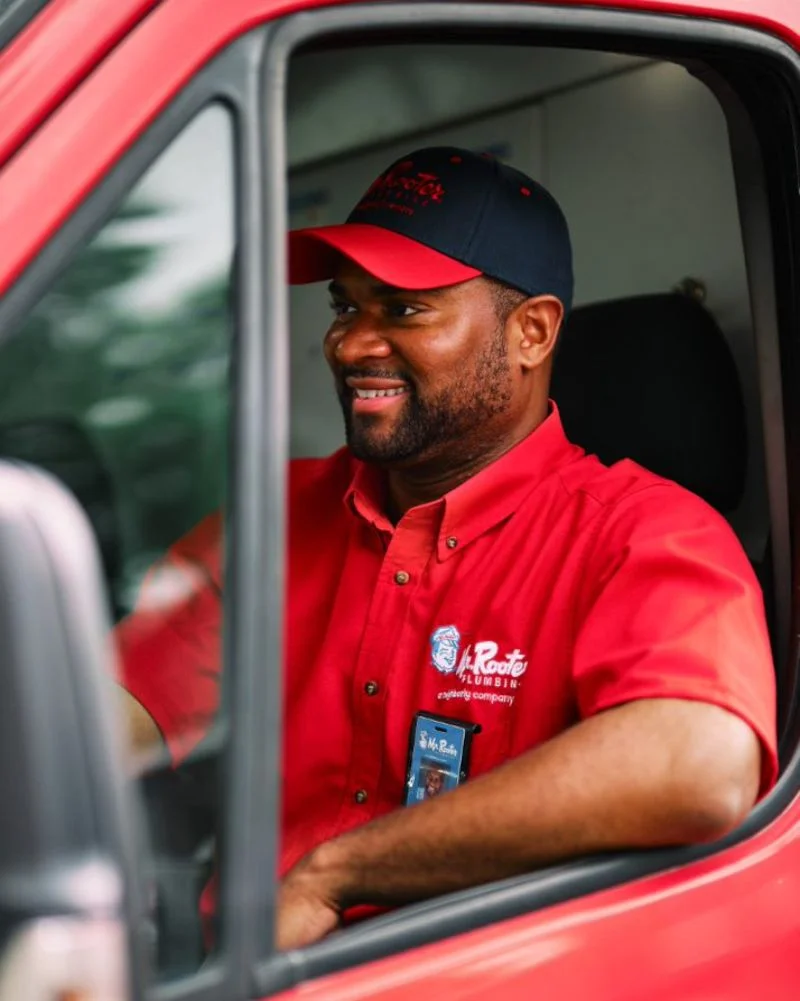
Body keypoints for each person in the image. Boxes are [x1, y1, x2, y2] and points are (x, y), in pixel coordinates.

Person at [117, 146, 777, 952]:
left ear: (530, 333)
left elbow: (699, 762)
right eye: (344, 307)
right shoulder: (272, 515)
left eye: (402, 310)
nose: (352, 345)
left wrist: (338, 872)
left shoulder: (642, 535)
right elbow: (94, 724)